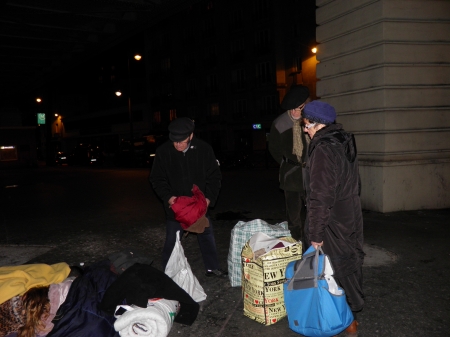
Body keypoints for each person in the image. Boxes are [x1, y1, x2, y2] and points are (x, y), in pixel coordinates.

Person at [302, 100, 364, 336]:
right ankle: (347, 317)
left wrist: (316, 234)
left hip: (332, 222)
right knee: (347, 264)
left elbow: (320, 195)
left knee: (334, 270)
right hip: (348, 216)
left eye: (307, 125)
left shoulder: (324, 149)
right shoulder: (342, 140)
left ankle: (346, 320)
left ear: (318, 125)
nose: (305, 130)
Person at [149, 117, 227, 278]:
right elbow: (156, 178)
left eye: (182, 141)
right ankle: (168, 272)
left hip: (198, 204)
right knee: (172, 240)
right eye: (175, 141)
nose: (178, 144)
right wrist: (169, 198)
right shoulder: (163, 151)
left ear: (191, 136)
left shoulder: (204, 149)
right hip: (176, 206)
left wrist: (208, 199)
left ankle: (212, 268)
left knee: (206, 235)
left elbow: (214, 176)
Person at [268, 85, 310, 246]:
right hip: (291, 175)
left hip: (311, 175)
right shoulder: (280, 123)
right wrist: (288, 164)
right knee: (294, 214)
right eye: (292, 109)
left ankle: (314, 242)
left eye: (298, 108)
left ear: (305, 105)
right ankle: (296, 243)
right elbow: (274, 149)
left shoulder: (311, 121)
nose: (294, 113)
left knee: (314, 212)